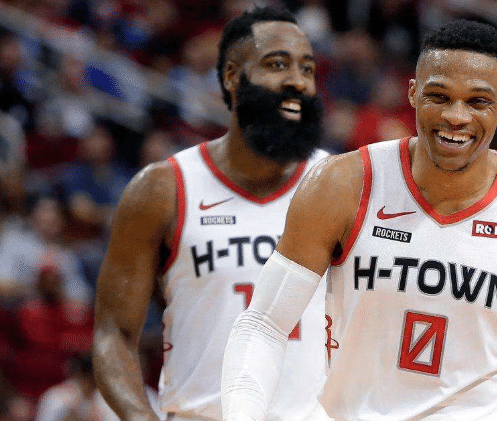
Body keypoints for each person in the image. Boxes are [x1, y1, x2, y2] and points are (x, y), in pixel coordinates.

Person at [221, 19, 497, 420]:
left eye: (478, 101)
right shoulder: (341, 185)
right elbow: (265, 324)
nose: (456, 116)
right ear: (412, 93)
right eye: (439, 96)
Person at [92, 6, 330, 421]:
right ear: (232, 76)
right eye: (278, 64)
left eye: (307, 69)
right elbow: (114, 333)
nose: (297, 80)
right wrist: (140, 416)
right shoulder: (162, 189)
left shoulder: (337, 184)